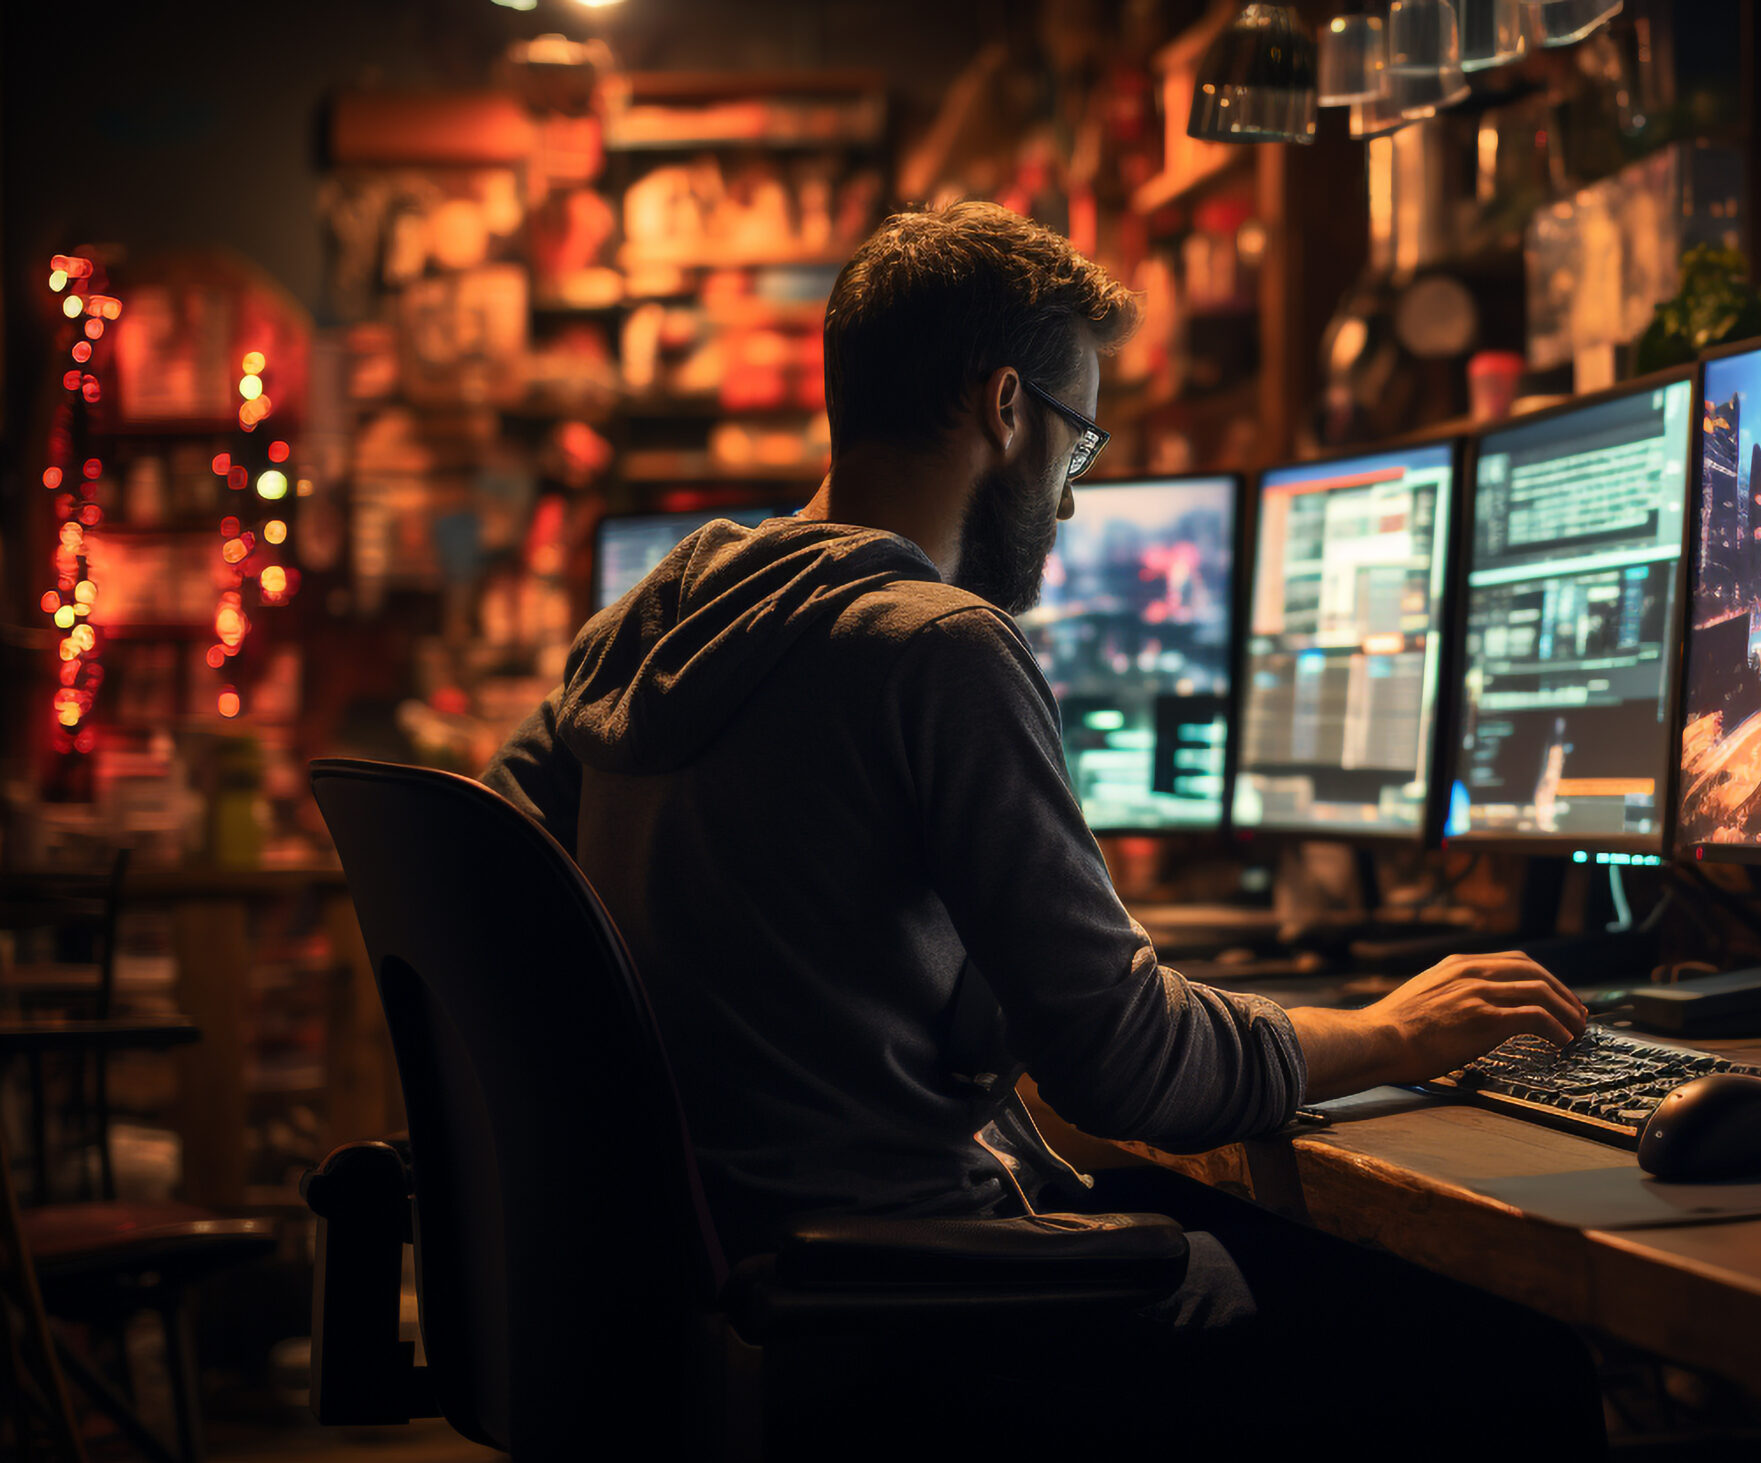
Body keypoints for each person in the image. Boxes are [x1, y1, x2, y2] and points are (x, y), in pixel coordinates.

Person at [484, 202, 1602, 1454]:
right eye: (1080, 441)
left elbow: (499, 835)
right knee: (1521, 1351)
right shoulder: (940, 646)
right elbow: (1124, 1063)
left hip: (742, 1296)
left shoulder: (649, 620)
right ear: (1006, 408)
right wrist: (1395, 1030)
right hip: (931, 1321)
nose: (1071, 504)